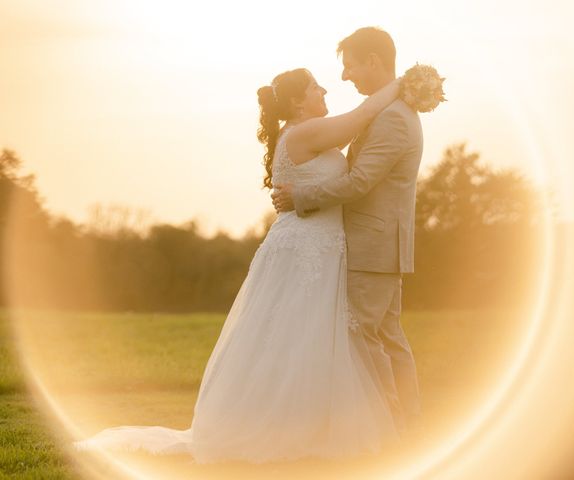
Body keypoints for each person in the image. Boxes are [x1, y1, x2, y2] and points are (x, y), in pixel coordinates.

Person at [73, 63, 407, 462]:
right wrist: (405, 83)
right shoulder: (306, 132)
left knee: (303, 336)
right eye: (317, 88)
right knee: (300, 334)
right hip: (307, 247)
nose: (325, 93)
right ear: (299, 101)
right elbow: (364, 114)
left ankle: (304, 421)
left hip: (313, 245)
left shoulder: (299, 133)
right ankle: (285, 428)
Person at [272, 26, 423, 432]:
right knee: (386, 338)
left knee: (366, 339)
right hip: (378, 246)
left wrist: (300, 196)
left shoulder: (393, 119)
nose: (344, 77)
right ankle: (405, 426)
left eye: (350, 66)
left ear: (373, 61)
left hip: (373, 247)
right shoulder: (392, 112)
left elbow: (359, 183)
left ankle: (393, 428)